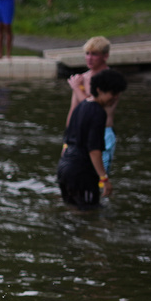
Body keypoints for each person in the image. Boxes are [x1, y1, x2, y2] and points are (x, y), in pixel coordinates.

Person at [57, 68, 127, 209]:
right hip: (82, 171)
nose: (115, 98)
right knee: (88, 215)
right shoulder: (98, 113)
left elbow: (68, 137)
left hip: (65, 167)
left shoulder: (82, 105)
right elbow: (94, 150)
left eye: (118, 94)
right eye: (113, 93)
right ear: (100, 90)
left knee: (72, 209)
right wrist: (104, 179)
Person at [67, 36, 119, 173]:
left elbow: (94, 109)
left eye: (94, 54)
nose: (89, 58)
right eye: (87, 54)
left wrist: (77, 89)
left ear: (105, 56)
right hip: (80, 134)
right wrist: (66, 141)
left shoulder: (111, 79)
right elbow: (74, 110)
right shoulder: (81, 79)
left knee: (98, 176)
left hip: (103, 132)